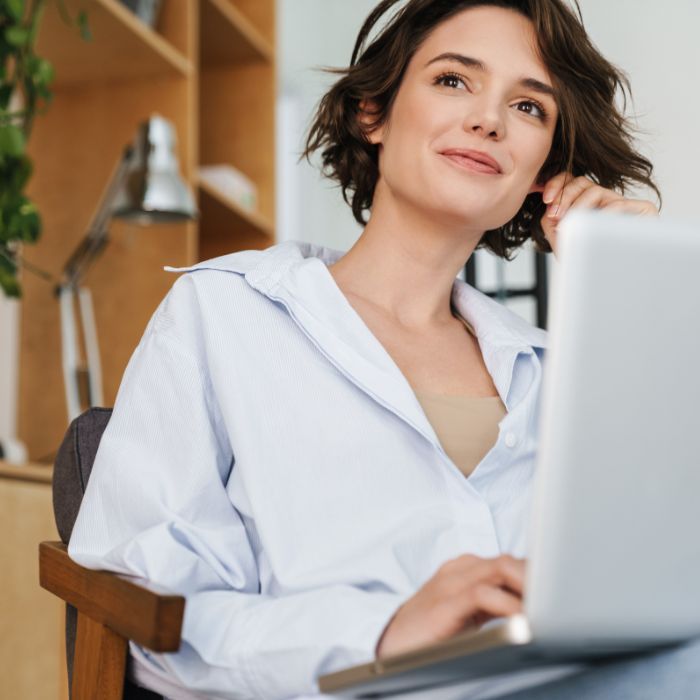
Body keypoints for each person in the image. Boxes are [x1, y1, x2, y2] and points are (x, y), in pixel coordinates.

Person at [68, 1, 700, 699]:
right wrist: (384, 629)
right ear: (373, 112)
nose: (489, 119)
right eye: (454, 80)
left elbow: (662, 579)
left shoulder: (564, 370)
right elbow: (156, 617)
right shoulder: (224, 315)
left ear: (543, 169)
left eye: (529, 107)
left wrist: (627, 286)